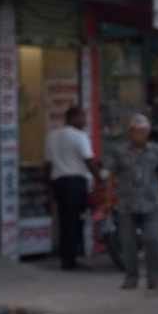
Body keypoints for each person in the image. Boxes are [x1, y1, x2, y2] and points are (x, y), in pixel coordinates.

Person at [108, 113, 158, 295]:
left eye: (144, 131)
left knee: (152, 239)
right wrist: (110, 198)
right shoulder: (119, 152)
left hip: (151, 203)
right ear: (130, 132)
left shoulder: (157, 151)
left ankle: (156, 279)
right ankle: (131, 278)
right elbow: (112, 175)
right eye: (137, 131)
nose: (141, 135)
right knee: (128, 243)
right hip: (126, 204)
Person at [45, 105, 98, 272]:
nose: (85, 121)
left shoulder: (52, 136)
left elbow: (47, 164)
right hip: (76, 183)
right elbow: (89, 161)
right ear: (73, 118)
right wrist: (100, 178)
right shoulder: (80, 136)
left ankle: (66, 258)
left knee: (64, 221)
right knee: (76, 221)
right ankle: (71, 259)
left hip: (58, 182)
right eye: (82, 117)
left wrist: (49, 187)